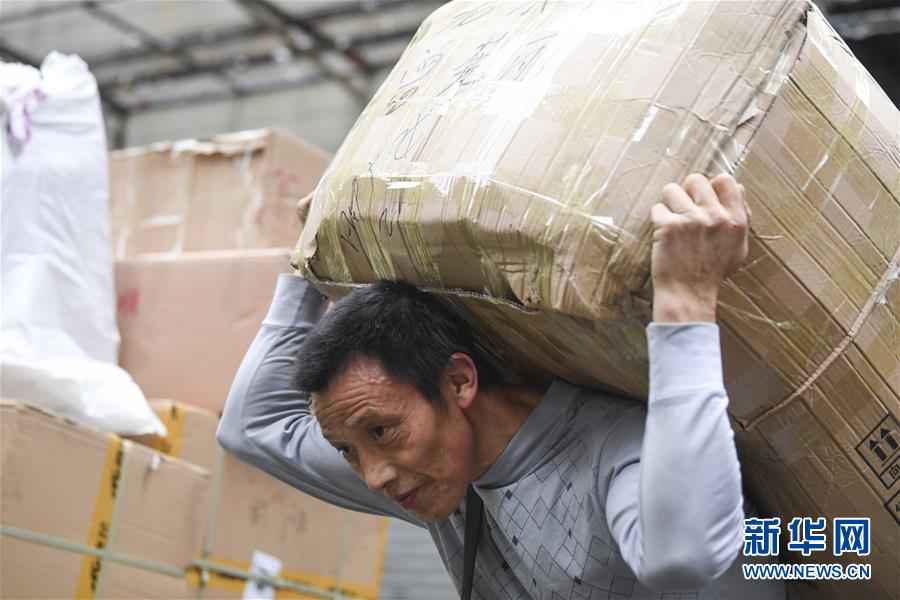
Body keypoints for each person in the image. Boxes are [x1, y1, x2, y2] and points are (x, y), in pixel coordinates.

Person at [217, 173, 786, 599]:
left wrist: (686, 297)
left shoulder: (614, 451)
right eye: (347, 449)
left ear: (459, 381)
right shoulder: (435, 474)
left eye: (381, 432)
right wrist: (310, 263)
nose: (373, 477)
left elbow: (681, 556)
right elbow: (249, 426)